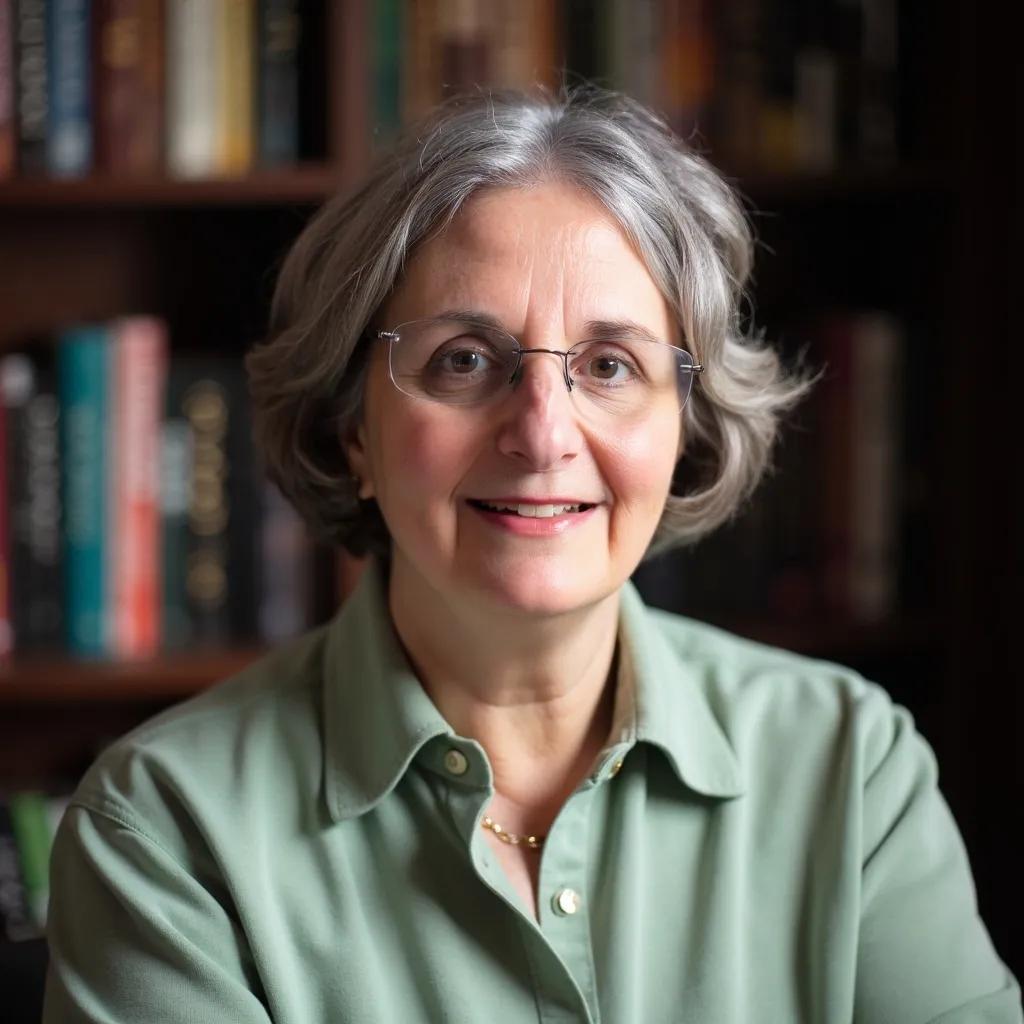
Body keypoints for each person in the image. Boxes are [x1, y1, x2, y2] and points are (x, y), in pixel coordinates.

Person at [43, 88, 1021, 1023]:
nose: (543, 432)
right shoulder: (165, 830)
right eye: (464, 359)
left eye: (609, 365)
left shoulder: (848, 767)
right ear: (353, 431)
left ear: (682, 428)